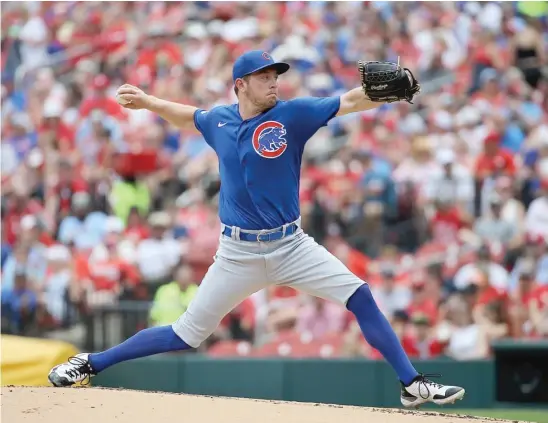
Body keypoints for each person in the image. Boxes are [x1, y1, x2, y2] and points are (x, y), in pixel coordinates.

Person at [48, 50, 465, 408]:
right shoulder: (220, 122)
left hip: (291, 245)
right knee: (185, 334)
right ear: (240, 85)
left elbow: (350, 100)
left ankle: (412, 384)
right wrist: (149, 101)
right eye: (264, 77)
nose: (273, 84)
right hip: (237, 254)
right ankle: (91, 362)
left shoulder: (293, 115)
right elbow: (189, 117)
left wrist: (390, 91)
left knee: (359, 295)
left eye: (275, 76)